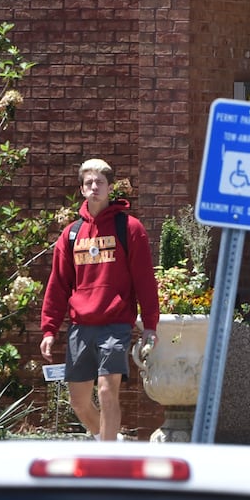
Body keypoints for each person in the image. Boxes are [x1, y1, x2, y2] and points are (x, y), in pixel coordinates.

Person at [39, 158, 160, 442]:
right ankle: (108, 440)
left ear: (109, 187)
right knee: (79, 402)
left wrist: (150, 325)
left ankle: (108, 458)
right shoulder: (70, 235)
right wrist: (49, 329)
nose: (94, 187)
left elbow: (145, 280)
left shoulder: (129, 229)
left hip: (115, 324)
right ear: (82, 189)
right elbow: (58, 284)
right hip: (81, 325)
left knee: (107, 391)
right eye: (89, 183)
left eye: (100, 182)